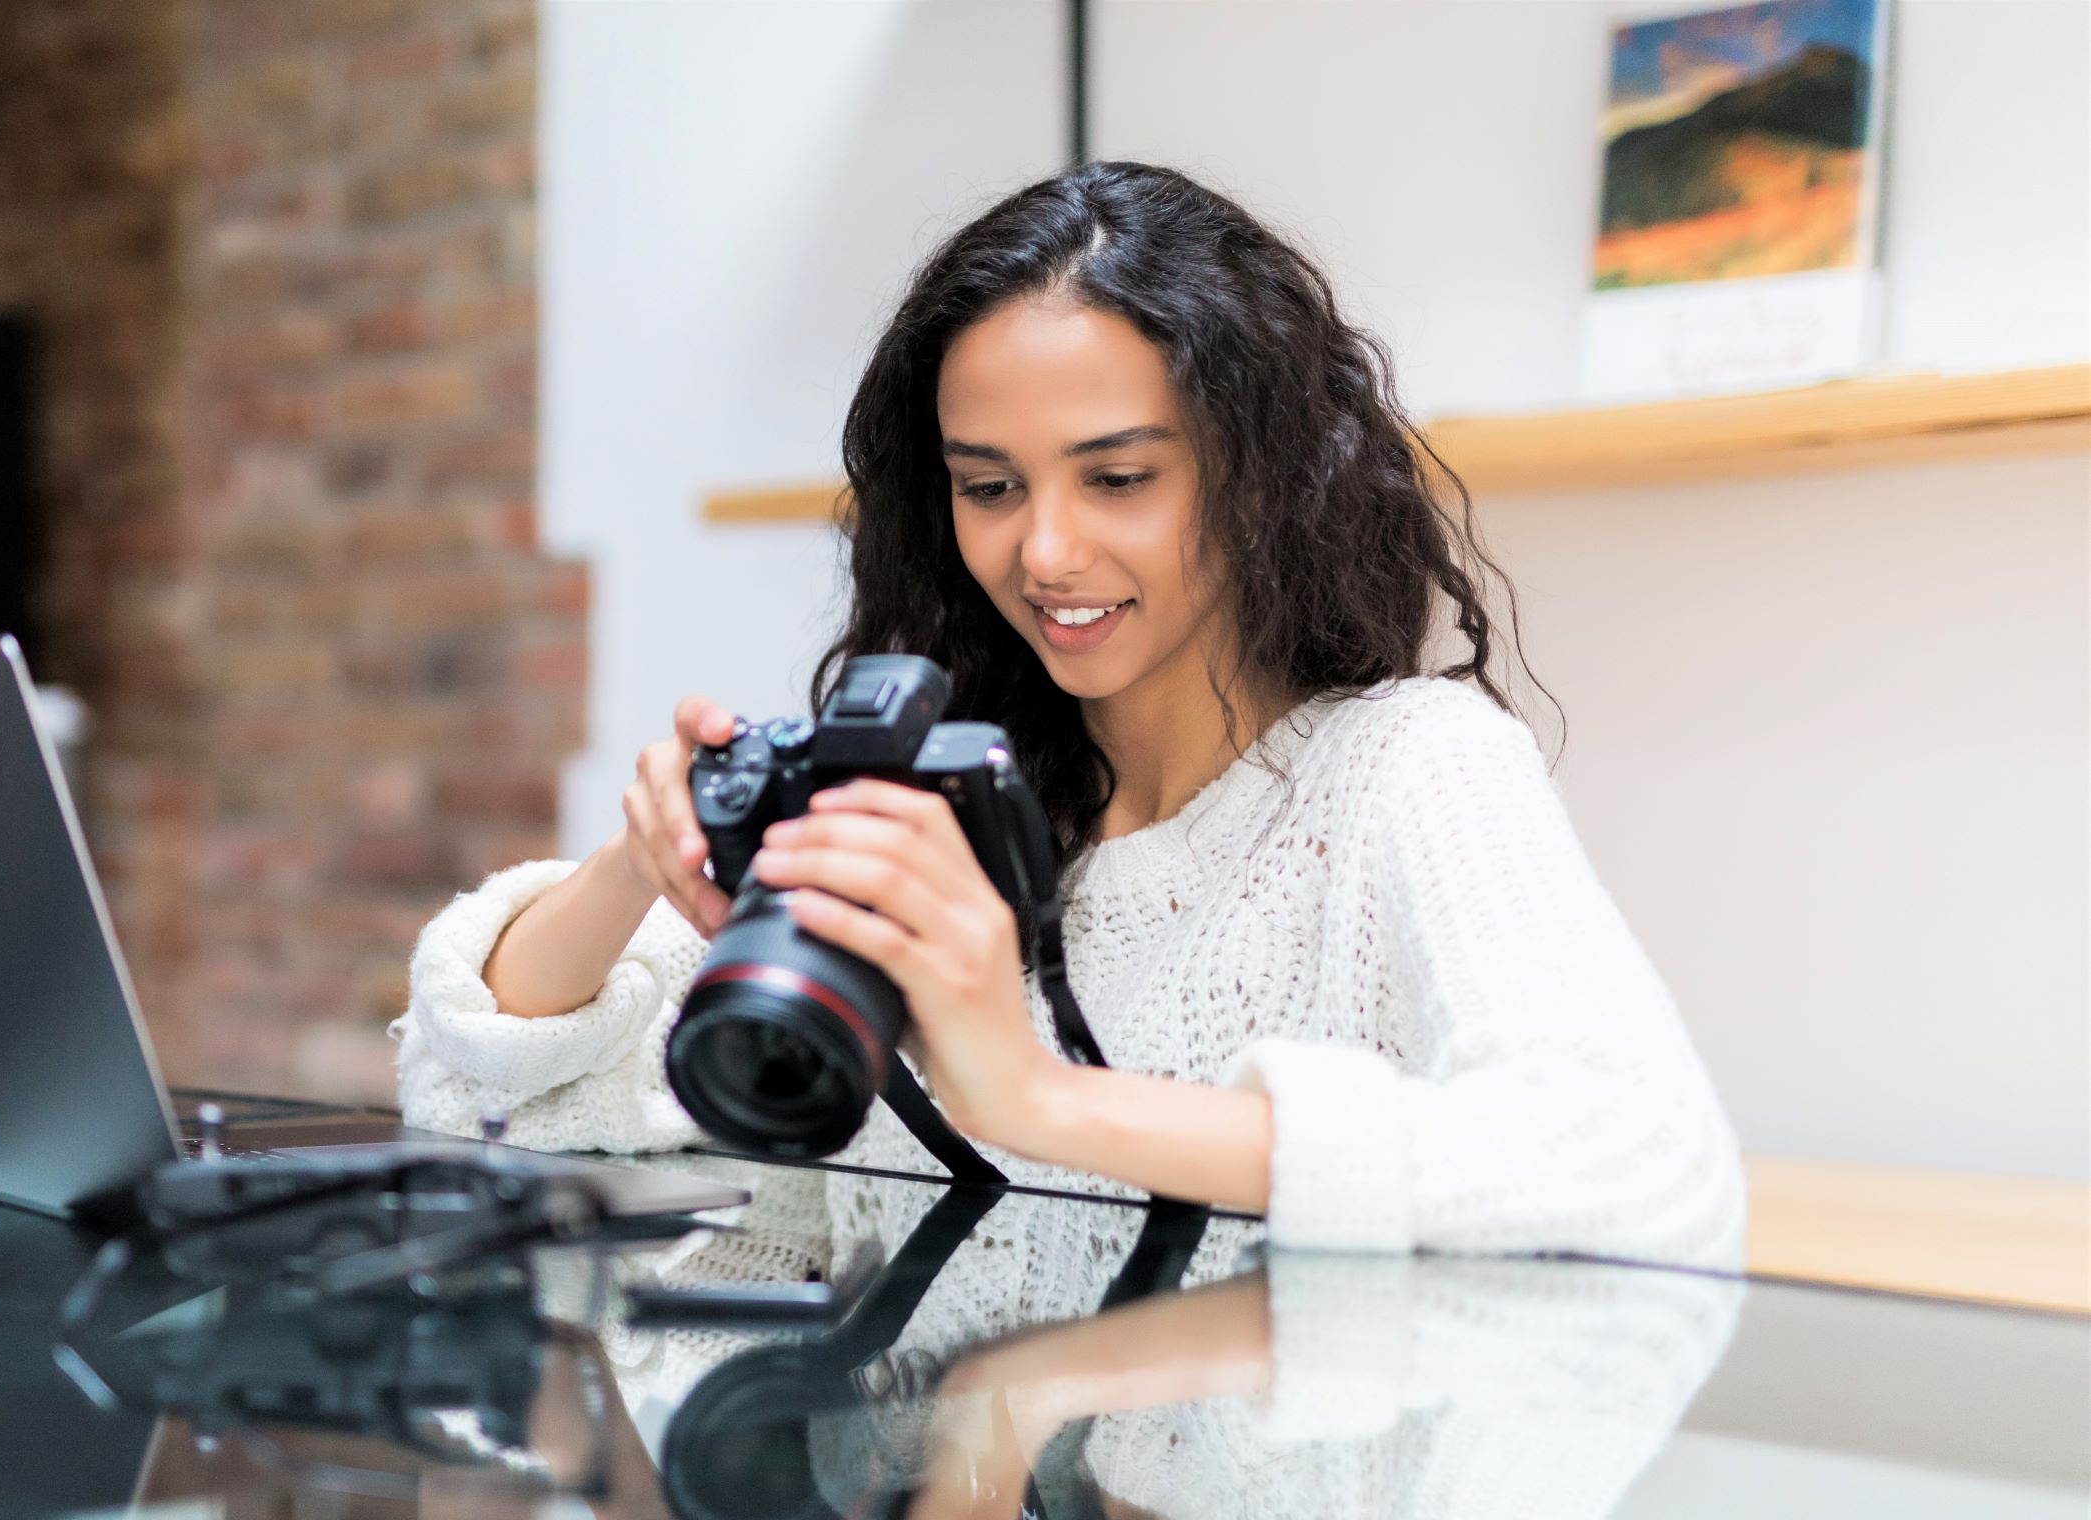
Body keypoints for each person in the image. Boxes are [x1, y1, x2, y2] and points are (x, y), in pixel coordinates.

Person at [390, 160, 1744, 1266]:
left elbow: (1634, 1168)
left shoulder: (1401, 770)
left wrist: (1036, 1100)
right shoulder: (952, 808)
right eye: (989, 488)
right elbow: (487, 1100)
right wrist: (639, 866)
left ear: (1260, 476)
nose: (1040, 553)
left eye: (1115, 480)